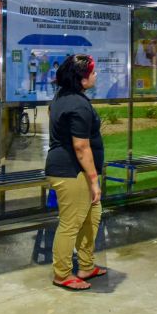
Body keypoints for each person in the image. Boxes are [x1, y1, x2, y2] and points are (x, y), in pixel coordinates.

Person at [45, 54, 107, 291]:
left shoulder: (63, 97)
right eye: (92, 71)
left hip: (71, 169)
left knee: (92, 216)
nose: (95, 75)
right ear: (81, 78)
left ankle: (86, 265)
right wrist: (94, 180)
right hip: (71, 172)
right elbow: (81, 147)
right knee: (71, 223)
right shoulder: (78, 104)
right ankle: (61, 274)